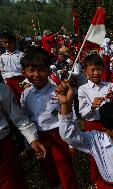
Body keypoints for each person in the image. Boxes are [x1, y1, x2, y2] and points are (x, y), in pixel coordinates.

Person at [20, 47, 78, 189]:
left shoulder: (58, 91)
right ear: (24, 72)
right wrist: (30, 142)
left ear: (49, 71)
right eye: (31, 70)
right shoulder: (26, 94)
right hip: (39, 137)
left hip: (59, 134)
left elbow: (71, 115)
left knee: (64, 167)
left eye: (41, 70)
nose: (36, 74)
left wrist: (71, 142)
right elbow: (25, 119)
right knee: (47, 167)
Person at [78, 53, 113, 184]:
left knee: (110, 152)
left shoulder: (109, 86)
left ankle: (107, 177)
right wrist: (92, 107)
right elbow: (82, 114)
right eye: (92, 69)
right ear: (85, 71)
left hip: (109, 125)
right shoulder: (83, 89)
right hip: (92, 126)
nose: (96, 73)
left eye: (99, 69)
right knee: (94, 154)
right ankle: (95, 179)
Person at [0, 82, 46, 189]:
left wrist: (32, 138)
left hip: (4, 148)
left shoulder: (2, 89)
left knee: (13, 183)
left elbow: (18, 117)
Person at [0, 33, 25, 103]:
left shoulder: (21, 55)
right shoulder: (2, 57)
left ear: (15, 42)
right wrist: (5, 79)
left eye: (10, 42)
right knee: (11, 98)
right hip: (8, 81)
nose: (8, 45)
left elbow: (25, 69)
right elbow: (2, 70)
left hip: (20, 80)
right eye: (5, 42)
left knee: (23, 96)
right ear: (2, 43)